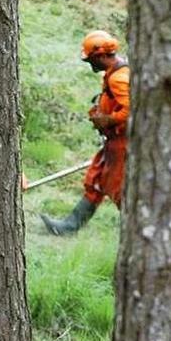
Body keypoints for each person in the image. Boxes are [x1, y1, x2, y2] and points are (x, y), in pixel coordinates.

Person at [42, 30, 130, 236]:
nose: (90, 64)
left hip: (123, 142)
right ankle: (68, 227)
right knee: (96, 179)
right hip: (114, 140)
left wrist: (108, 119)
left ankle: (139, 238)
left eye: (91, 60)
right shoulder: (115, 72)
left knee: (120, 191)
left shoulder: (119, 77)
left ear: (100, 56)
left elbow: (131, 109)